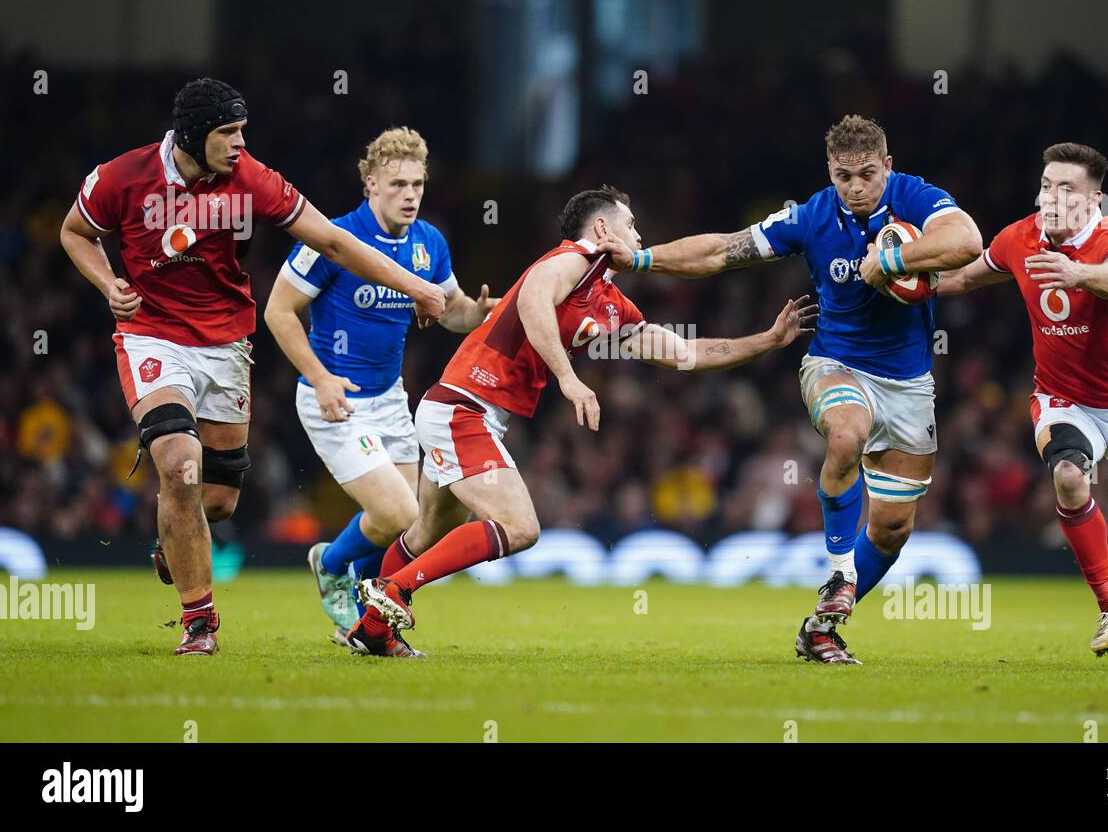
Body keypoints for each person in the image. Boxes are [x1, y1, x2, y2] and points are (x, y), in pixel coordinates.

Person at [58, 79, 446, 655]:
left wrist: (420, 288)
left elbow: (335, 243)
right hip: (152, 336)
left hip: (226, 345)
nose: (241, 142)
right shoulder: (122, 177)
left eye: (242, 130)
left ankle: (175, 536)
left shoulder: (252, 180)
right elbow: (76, 231)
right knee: (180, 465)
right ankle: (200, 624)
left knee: (215, 501)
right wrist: (108, 282)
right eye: (228, 132)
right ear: (193, 135)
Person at [347, 186, 816, 658]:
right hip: (464, 406)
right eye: (630, 224)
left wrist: (767, 341)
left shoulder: (611, 303)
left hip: (465, 409)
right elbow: (533, 301)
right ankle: (392, 593)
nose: (638, 234)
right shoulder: (577, 257)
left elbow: (686, 353)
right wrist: (569, 379)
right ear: (602, 229)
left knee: (428, 531)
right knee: (519, 526)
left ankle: (371, 629)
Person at [598, 116, 982, 664]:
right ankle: (838, 572)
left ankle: (820, 630)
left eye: (867, 175)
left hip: (910, 383)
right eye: (843, 175)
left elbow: (968, 240)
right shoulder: (811, 216)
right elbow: (722, 251)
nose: (855, 187)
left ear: (887, 168)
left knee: (893, 529)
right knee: (846, 435)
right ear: (830, 171)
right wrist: (640, 258)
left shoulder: (915, 196)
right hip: (835, 363)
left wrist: (892, 260)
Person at [937, 142, 1108, 668]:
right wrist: (903, 284)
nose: (1052, 197)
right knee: (1068, 476)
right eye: (1047, 185)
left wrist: (1079, 274)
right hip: (1062, 397)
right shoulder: (1020, 237)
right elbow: (966, 277)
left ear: (1094, 199)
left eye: (1067, 189)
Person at [264, 127, 497, 643]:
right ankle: (329, 564)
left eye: (417, 184)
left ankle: (369, 625)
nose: (410, 195)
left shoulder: (429, 243)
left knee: (400, 524)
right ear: (370, 183)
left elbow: (450, 309)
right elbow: (278, 311)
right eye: (397, 185)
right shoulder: (333, 238)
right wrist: (320, 378)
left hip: (390, 399)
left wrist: (474, 313)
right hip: (335, 398)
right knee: (398, 511)